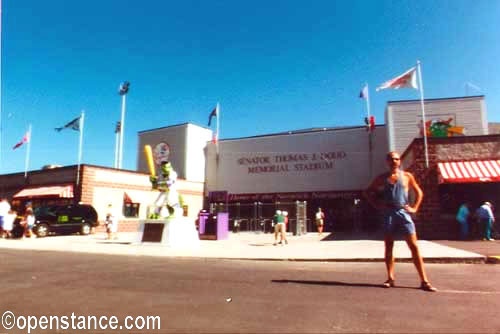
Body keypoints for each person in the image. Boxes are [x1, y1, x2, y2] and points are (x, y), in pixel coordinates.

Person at [363, 151, 437, 292]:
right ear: (387, 161)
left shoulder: (407, 176)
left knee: (414, 246)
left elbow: (419, 192)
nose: (394, 161)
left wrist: (415, 207)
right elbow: (367, 192)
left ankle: (424, 281)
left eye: (396, 159)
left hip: (403, 212)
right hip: (388, 214)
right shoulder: (382, 178)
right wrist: (377, 205)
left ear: (400, 161)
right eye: (391, 159)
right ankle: (390, 278)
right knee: (389, 246)